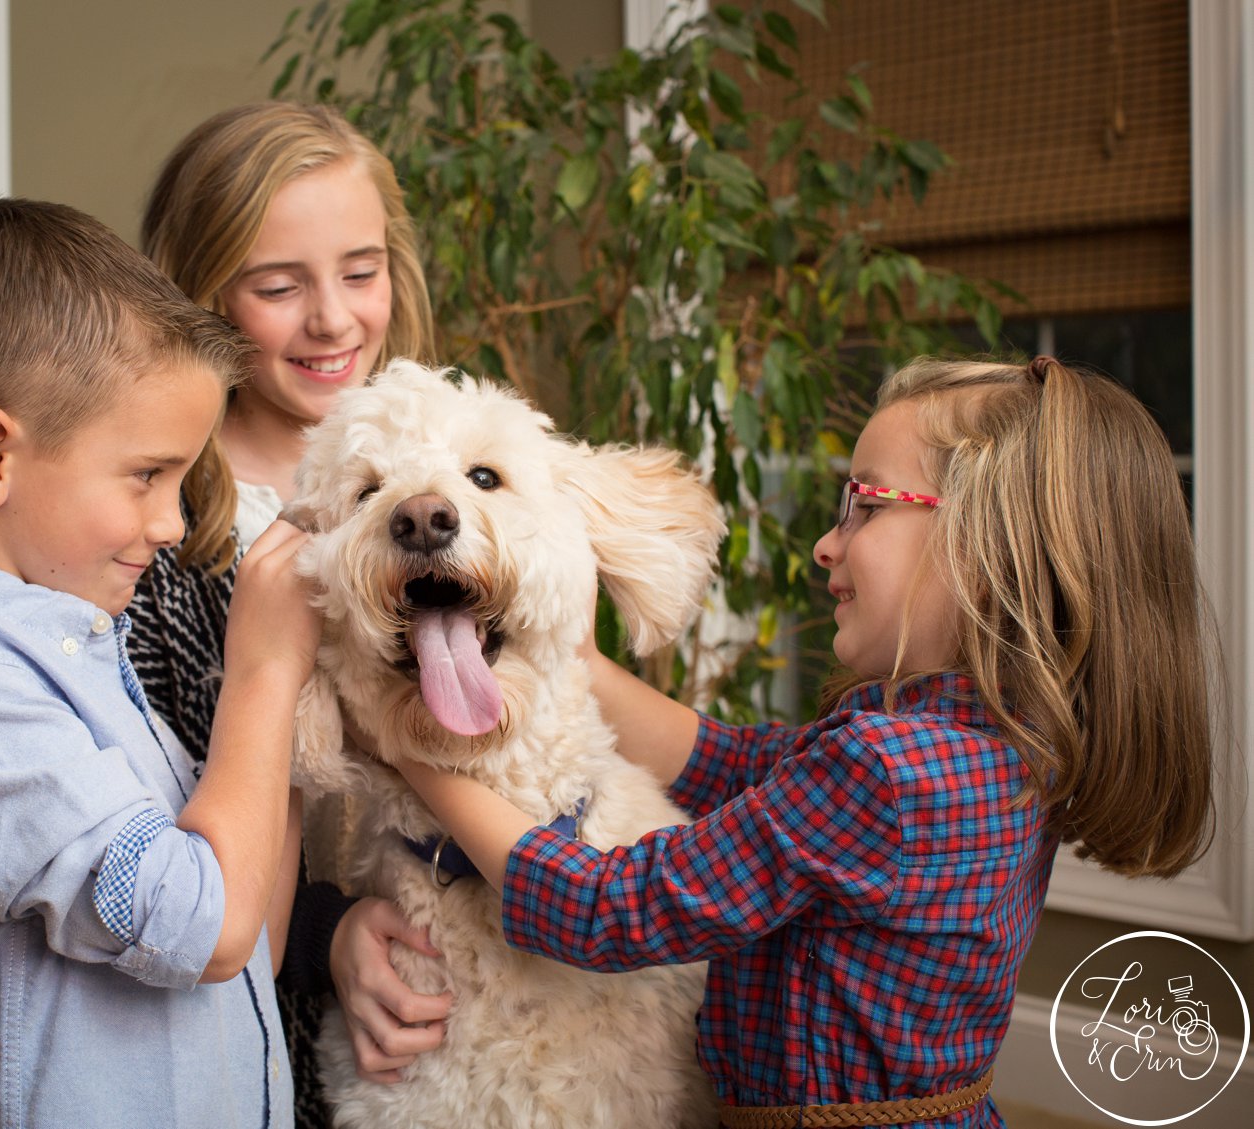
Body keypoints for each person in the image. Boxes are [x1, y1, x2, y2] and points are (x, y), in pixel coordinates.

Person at [395, 356, 1217, 1125]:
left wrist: (412, 753)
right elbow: (731, 765)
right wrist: (578, 657)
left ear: (983, 547)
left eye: (866, 506)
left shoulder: (886, 770)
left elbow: (604, 907)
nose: (827, 542)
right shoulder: (992, 741)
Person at [0, 197, 318, 1128]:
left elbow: (255, 947)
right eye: (147, 474)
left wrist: (296, 698)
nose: (170, 522)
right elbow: (206, 927)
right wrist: (262, 670)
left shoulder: (83, 659)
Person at [124, 101, 449, 1123]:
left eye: (361, 272)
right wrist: (326, 930)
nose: (333, 319)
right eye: (278, 285)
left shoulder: (452, 483)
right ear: (200, 294)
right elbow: (142, 844)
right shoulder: (152, 542)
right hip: (264, 1045)